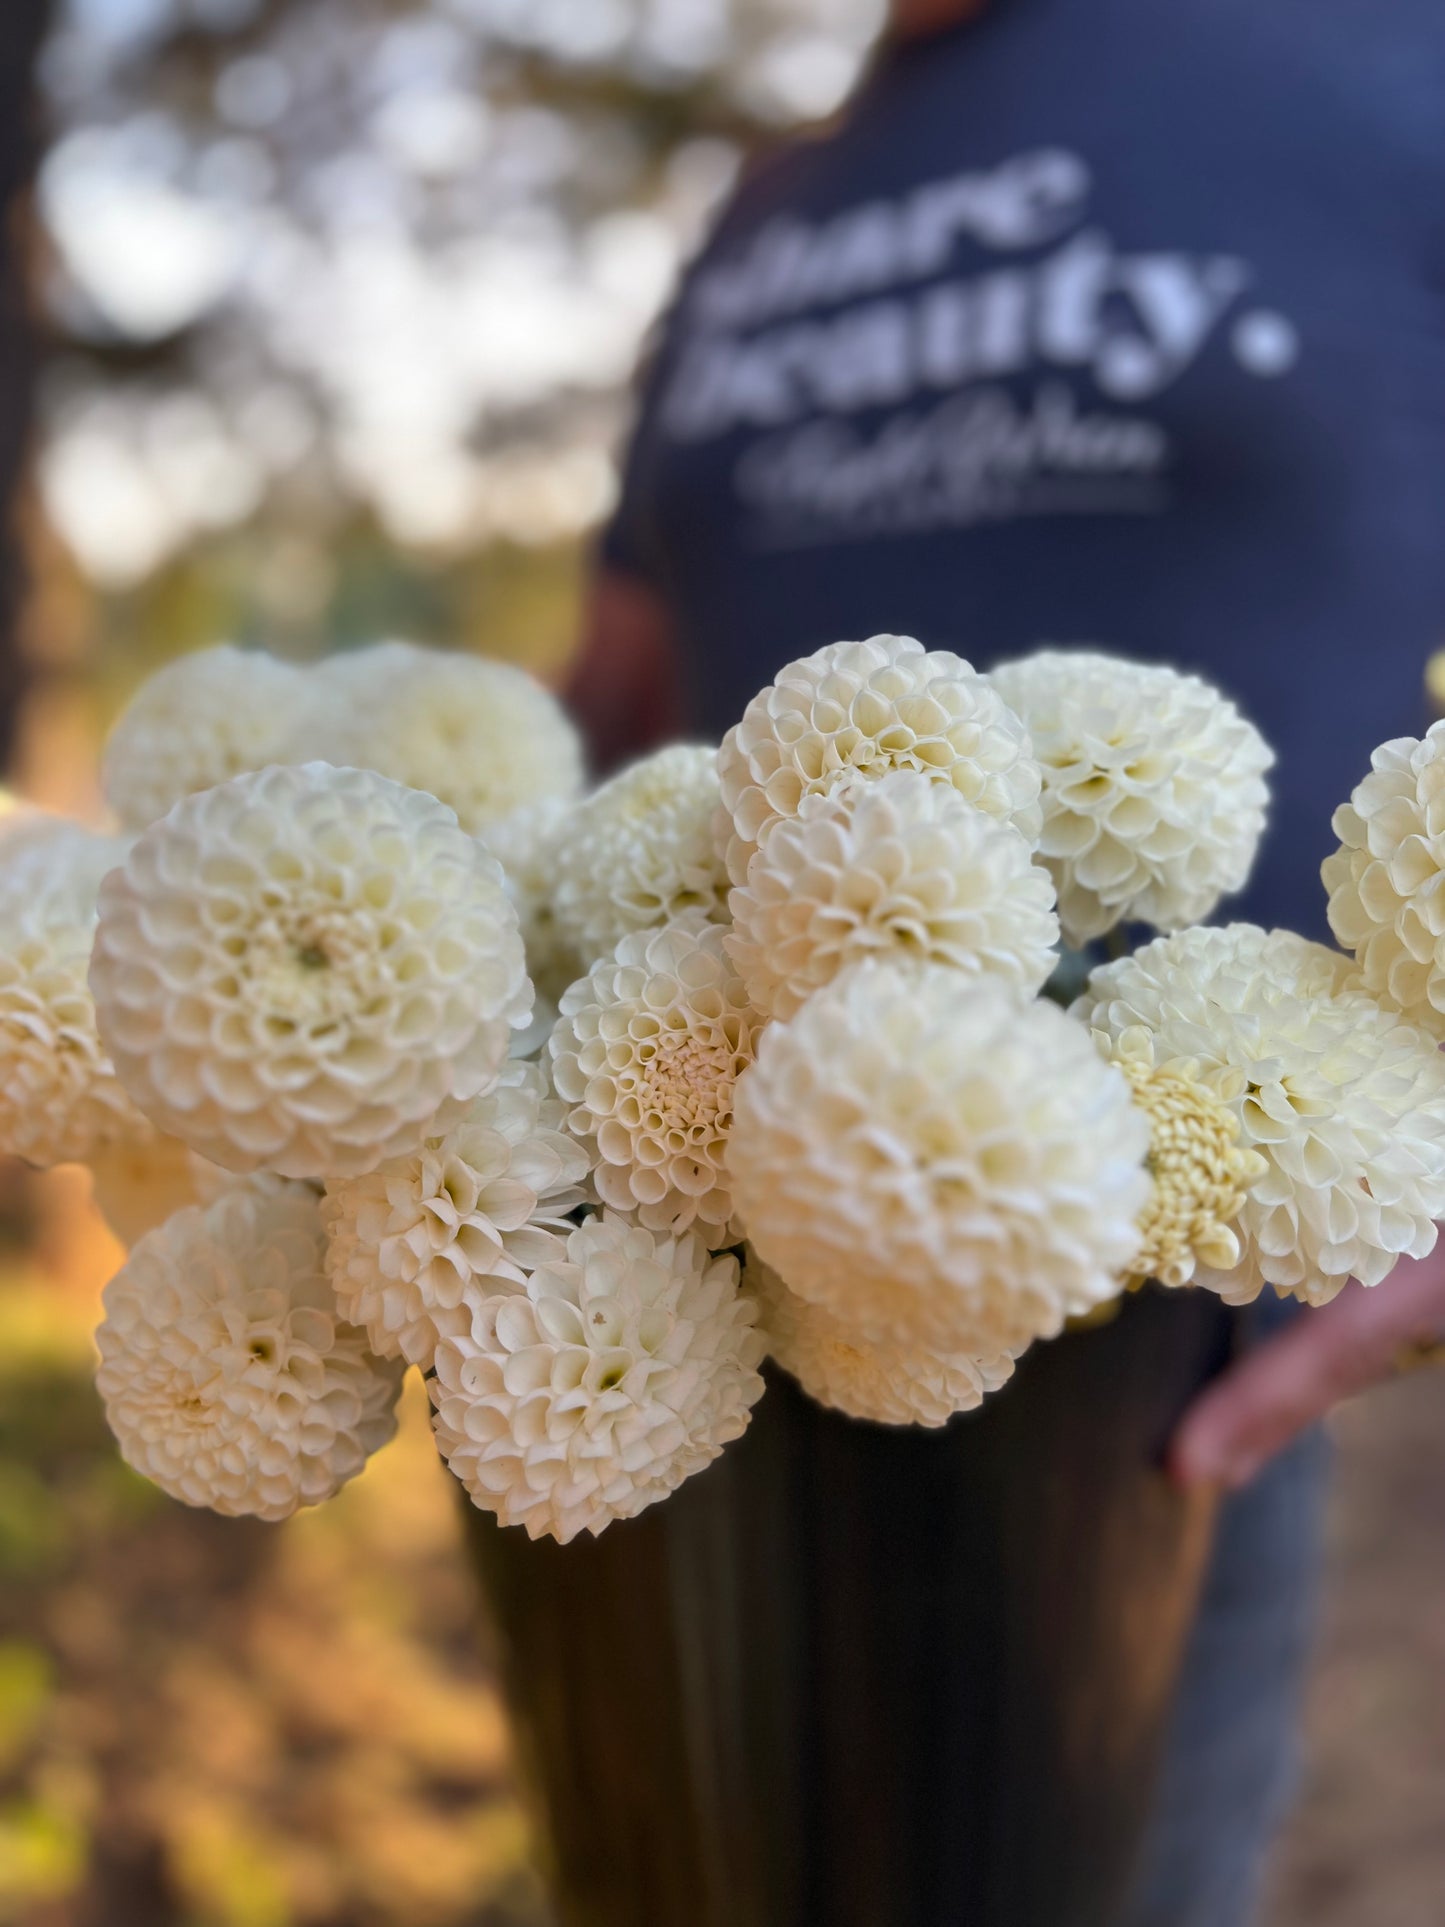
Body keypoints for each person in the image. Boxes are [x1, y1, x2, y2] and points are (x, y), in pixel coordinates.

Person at [567, 0, 1445, 1919]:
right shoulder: (766, 210)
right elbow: (610, 709)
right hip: (678, 1302)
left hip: (1147, 1361)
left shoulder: (1396, 63)